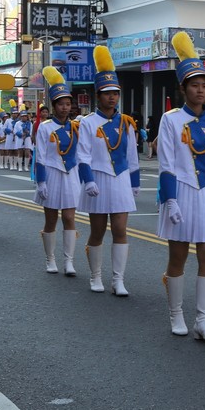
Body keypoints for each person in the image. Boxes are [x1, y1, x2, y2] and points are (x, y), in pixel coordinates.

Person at [158, 31, 205, 341]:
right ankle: (176, 314)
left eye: (204, 85)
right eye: (194, 85)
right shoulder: (171, 119)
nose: (200, 90)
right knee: (178, 256)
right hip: (181, 190)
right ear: (183, 88)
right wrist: (170, 200)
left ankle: (203, 321)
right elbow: (167, 163)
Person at [77, 46, 140, 295]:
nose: (112, 98)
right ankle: (95, 276)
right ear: (98, 95)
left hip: (121, 178)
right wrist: (88, 180)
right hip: (99, 179)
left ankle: (118, 280)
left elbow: (132, 156)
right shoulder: (88, 123)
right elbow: (82, 154)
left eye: (115, 93)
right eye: (107, 93)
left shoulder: (127, 123)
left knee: (121, 230)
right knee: (98, 231)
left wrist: (135, 182)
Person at [35, 67, 82, 276]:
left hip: (71, 174)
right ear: (54, 106)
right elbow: (41, 156)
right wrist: (41, 182)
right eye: (61, 104)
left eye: (68, 104)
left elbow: (81, 154)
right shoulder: (45, 127)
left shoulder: (76, 127)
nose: (65, 108)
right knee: (51, 219)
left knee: (70, 218)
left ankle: (69, 261)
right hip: (52, 174)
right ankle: (50, 258)